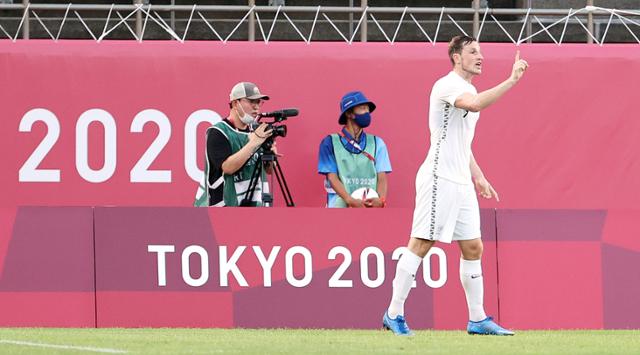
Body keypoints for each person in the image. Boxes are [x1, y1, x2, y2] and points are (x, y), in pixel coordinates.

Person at [383, 36, 529, 336]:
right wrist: (512, 81)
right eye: (473, 52)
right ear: (455, 57)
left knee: (473, 247)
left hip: (461, 181)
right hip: (438, 178)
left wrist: (478, 176)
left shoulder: (471, 88)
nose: (480, 57)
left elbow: (463, 143)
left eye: (481, 52)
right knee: (421, 243)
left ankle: (478, 319)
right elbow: (473, 105)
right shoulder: (447, 85)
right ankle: (393, 313)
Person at [197, 82, 274, 207]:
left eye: (259, 102)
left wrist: (270, 155)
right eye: (251, 101)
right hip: (224, 208)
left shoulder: (257, 132)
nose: (256, 107)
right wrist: (254, 142)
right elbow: (228, 167)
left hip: (255, 206)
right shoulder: (218, 132)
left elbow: (269, 171)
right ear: (235, 103)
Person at [317, 91, 392, 208]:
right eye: (362, 108)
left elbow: (382, 178)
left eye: (368, 109)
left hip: (369, 209)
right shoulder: (329, 142)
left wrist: (381, 200)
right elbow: (332, 177)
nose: (367, 113)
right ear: (349, 113)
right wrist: (349, 200)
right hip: (338, 208)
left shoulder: (378, 143)